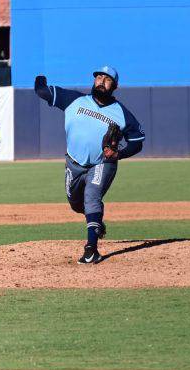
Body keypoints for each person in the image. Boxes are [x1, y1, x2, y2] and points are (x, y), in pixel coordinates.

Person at [34, 66, 145, 264]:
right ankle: (95, 222)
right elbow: (42, 91)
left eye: (107, 79)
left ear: (115, 86)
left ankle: (91, 249)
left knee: (92, 196)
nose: (102, 81)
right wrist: (39, 78)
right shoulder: (74, 100)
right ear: (94, 81)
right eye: (99, 77)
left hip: (103, 163)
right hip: (73, 163)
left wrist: (118, 154)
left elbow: (137, 142)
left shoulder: (122, 113)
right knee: (77, 205)